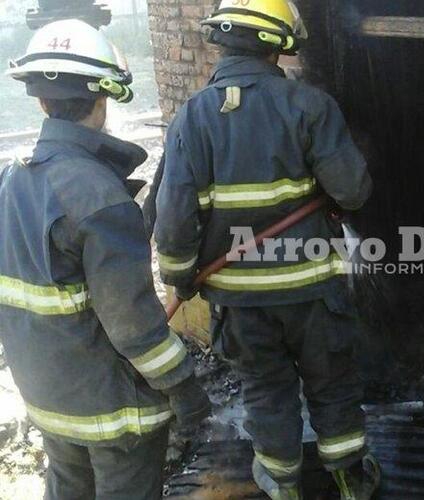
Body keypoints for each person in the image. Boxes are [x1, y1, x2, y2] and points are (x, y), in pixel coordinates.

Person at [153, 1, 377, 499]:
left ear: (223, 41)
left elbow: (172, 221)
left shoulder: (192, 117)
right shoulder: (310, 106)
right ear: (280, 43)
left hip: (239, 301)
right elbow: (353, 192)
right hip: (312, 289)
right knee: (332, 383)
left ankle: (283, 483)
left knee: (266, 391)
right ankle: (350, 480)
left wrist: (181, 277)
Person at [0, 19, 210, 500]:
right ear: (103, 99)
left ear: (39, 101)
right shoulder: (101, 197)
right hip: (115, 415)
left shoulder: (12, 181)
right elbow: (134, 326)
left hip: (49, 400)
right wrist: (183, 386)